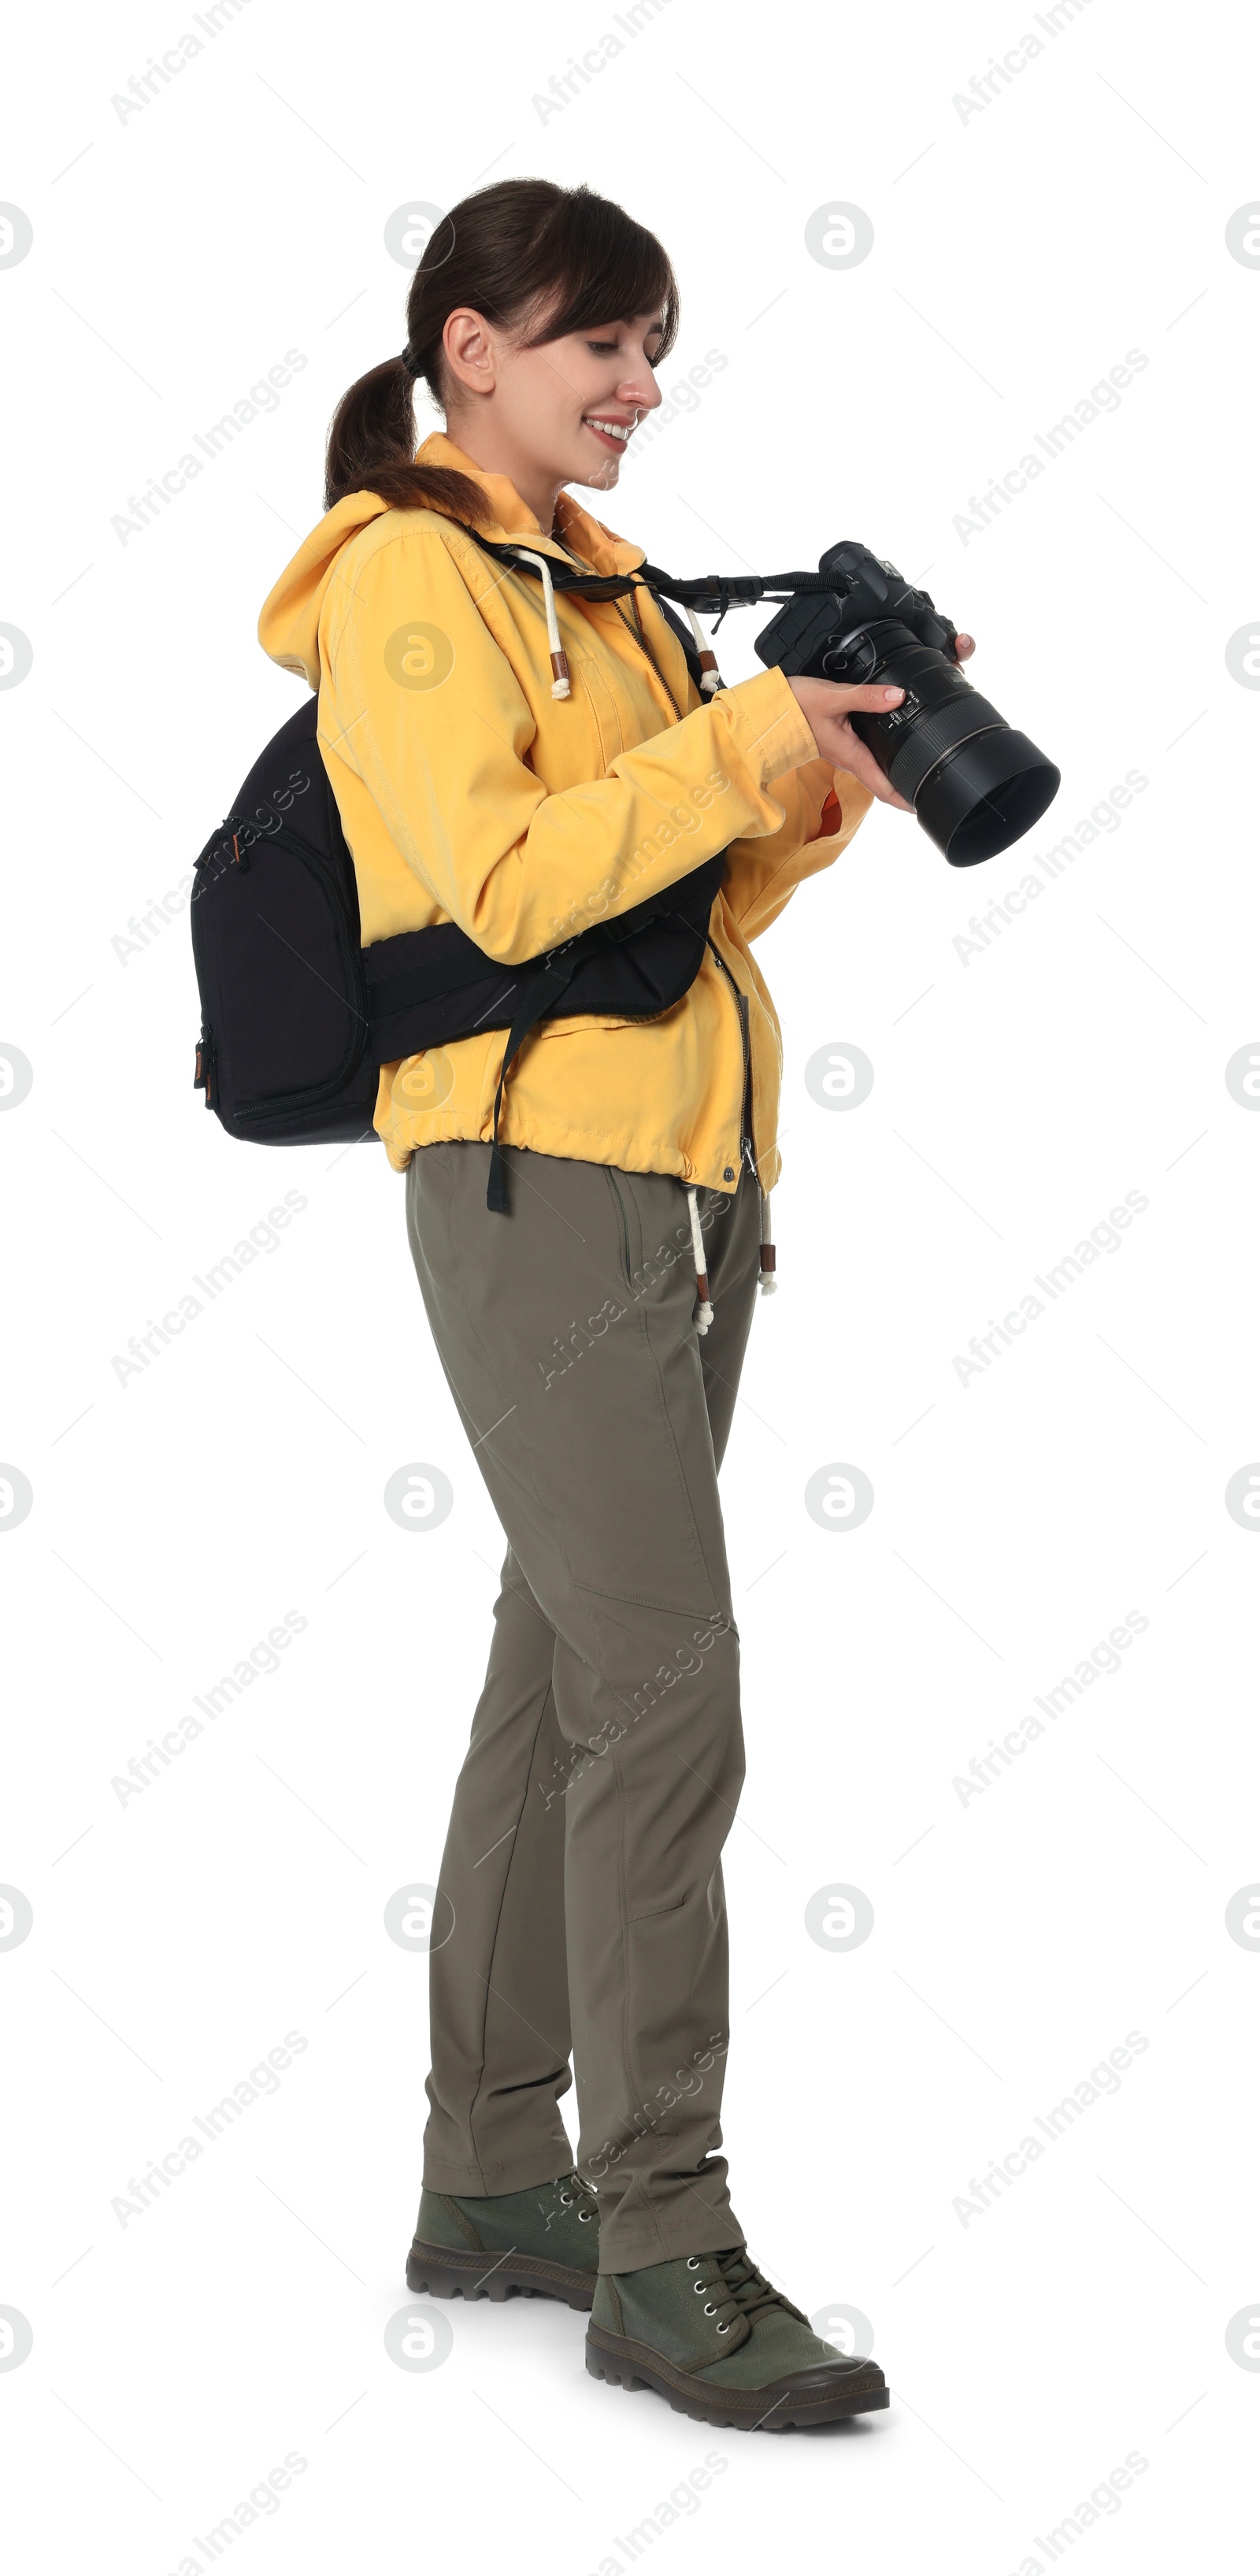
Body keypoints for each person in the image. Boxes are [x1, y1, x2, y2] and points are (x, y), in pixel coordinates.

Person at [258, 177, 973, 2431]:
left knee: (567, 1673)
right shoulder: (407, 578)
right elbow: (500, 883)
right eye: (602, 345)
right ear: (469, 350)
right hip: (530, 1177)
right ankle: (663, 2239)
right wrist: (741, 741)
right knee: (669, 1693)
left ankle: (493, 2178)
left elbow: (674, 905)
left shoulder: (613, 587)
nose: (642, 383)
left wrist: (824, 771)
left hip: (678, 1174)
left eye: (655, 344)